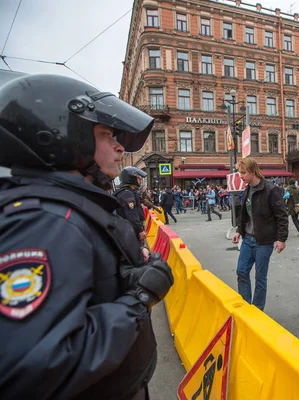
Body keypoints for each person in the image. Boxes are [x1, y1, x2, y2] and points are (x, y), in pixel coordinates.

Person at [0, 74, 174, 399]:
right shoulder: (46, 221)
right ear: (62, 137)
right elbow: (33, 366)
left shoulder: (65, 207)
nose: (120, 146)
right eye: (107, 135)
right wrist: (139, 299)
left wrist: (124, 281)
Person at [231, 158, 288, 311]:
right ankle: (245, 306)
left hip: (264, 241)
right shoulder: (247, 189)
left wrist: (281, 239)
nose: (241, 176)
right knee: (241, 271)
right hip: (248, 239)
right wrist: (238, 231)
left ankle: (257, 310)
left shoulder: (271, 189)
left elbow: (282, 215)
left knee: (260, 277)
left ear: (253, 171)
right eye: (239, 173)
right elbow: (244, 215)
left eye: (243, 173)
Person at [114, 166, 148, 245]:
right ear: (131, 178)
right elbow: (132, 214)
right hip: (131, 231)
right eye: (138, 178)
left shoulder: (126, 191)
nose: (140, 180)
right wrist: (140, 230)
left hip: (126, 230)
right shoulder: (127, 193)